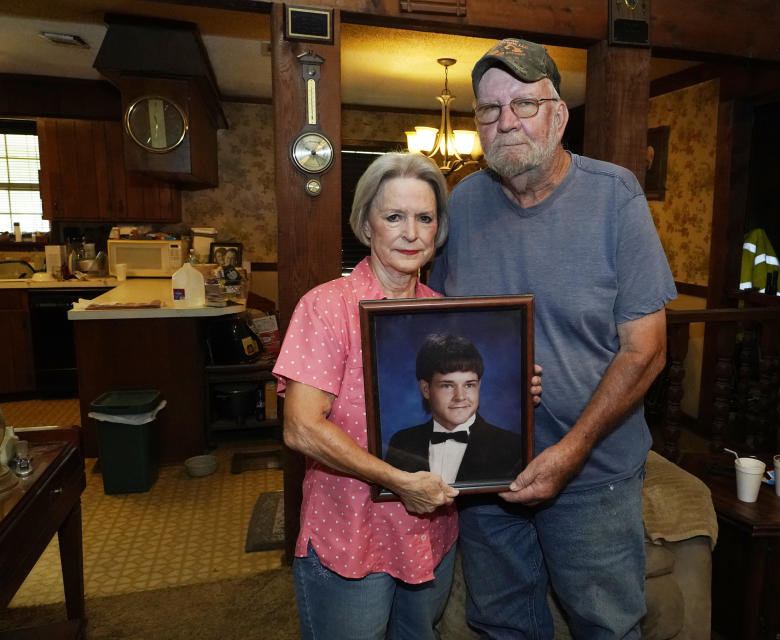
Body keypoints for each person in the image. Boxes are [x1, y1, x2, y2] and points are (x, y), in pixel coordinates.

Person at [429, 38, 677, 639]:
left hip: (592, 474)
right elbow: (434, 330)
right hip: (486, 474)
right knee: (502, 625)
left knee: (606, 627)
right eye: (489, 110)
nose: (505, 120)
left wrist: (571, 452)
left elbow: (646, 350)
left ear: (559, 115)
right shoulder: (461, 205)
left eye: (523, 103)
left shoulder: (615, 197)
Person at [273, 152, 459, 640]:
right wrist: (398, 480)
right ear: (366, 224)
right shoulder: (325, 307)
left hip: (428, 530)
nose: (411, 233)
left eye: (425, 218)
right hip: (350, 531)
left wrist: (514, 390)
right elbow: (301, 426)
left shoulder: (447, 313)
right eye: (394, 217)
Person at [384, 332, 523, 485]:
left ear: (479, 386)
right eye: (447, 385)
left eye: (469, 385)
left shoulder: (511, 446)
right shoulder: (402, 442)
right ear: (425, 389)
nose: (460, 397)